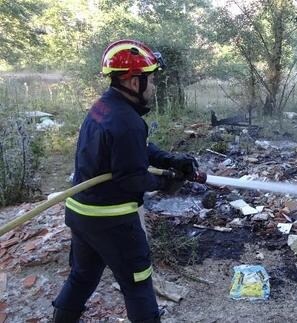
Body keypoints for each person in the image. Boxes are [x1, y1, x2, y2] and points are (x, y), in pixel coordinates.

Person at [52, 39, 201, 323]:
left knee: (82, 276)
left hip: (82, 214)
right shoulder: (127, 121)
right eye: (152, 80)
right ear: (134, 83)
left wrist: (169, 160)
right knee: (138, 284)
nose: (154, 87)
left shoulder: (103, 107)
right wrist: (166, 183)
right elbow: (131, 179)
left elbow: (134, 149)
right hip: (113, 221)